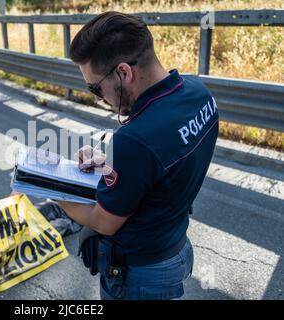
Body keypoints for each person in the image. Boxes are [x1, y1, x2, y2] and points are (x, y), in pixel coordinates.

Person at [57, 12, 219, 300]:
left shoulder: (135, 140)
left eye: (95, 88)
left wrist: (56, 191)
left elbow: (104, 221)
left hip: (140, 274)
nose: (99, 98)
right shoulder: (199, 93)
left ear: (123, 72)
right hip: (176, 247)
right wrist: (112, 165)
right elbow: (164, 170)